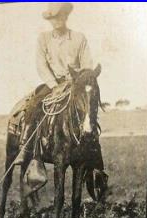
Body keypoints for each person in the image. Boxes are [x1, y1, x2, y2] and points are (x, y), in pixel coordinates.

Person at [15, 2, 94, 165]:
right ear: (49, 19)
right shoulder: (43, 38)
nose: (57, 20)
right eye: (53, 17)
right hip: (53, 84)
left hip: (76, 84)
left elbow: (87, 65)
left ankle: (95, 160)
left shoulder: (79, 38)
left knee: (90, 108)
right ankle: (27, 149)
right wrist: (53, 85)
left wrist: (79, 81)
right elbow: (41, 65)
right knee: (34, 105)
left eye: (61, 16)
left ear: (66, 16)